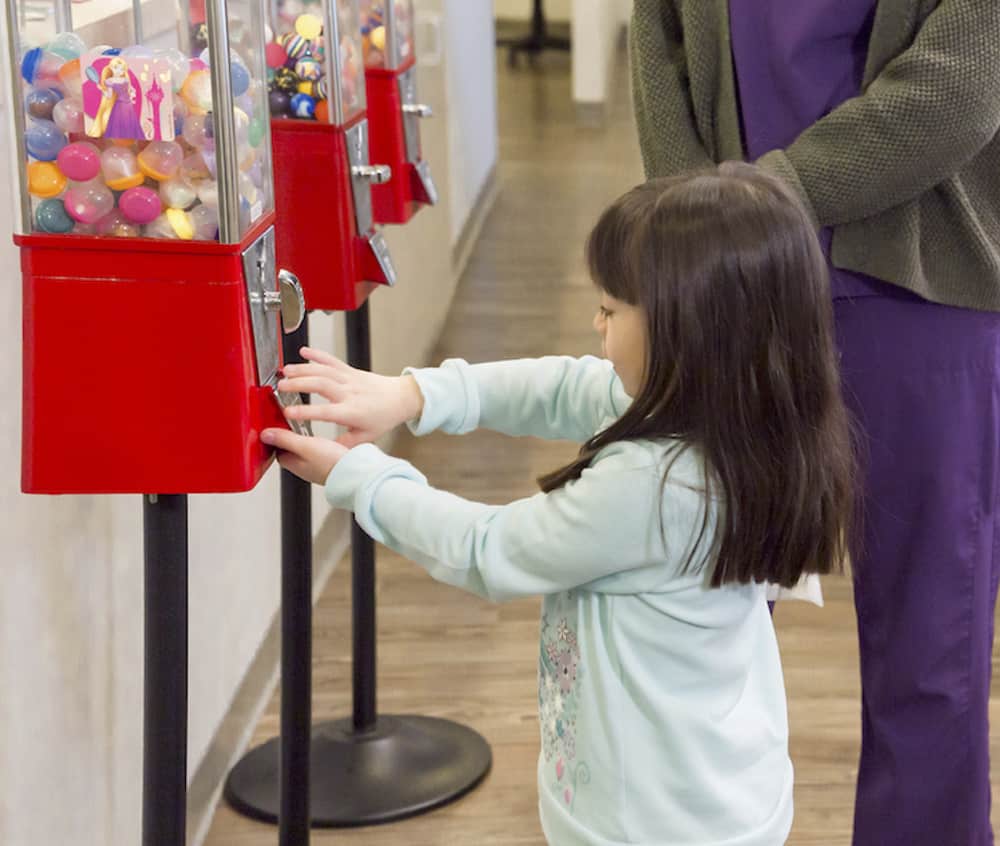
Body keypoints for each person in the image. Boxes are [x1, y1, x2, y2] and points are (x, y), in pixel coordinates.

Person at [261, 164, 855, 845]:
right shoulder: (744, 417)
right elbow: (569, 387)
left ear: (690, 330)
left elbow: (488, 551)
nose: (594, 319)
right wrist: (416, 395)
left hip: (647, 824)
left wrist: (359, 477)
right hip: (720, 792)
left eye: (612, 308)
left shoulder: (657, 487)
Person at [629, 2, 1000, 843]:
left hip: (919, 284)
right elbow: (660, 40)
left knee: (930, 644)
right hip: (732, 279)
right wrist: (695, 223)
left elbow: (967, 86)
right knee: (701, 623)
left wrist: (755, 201)